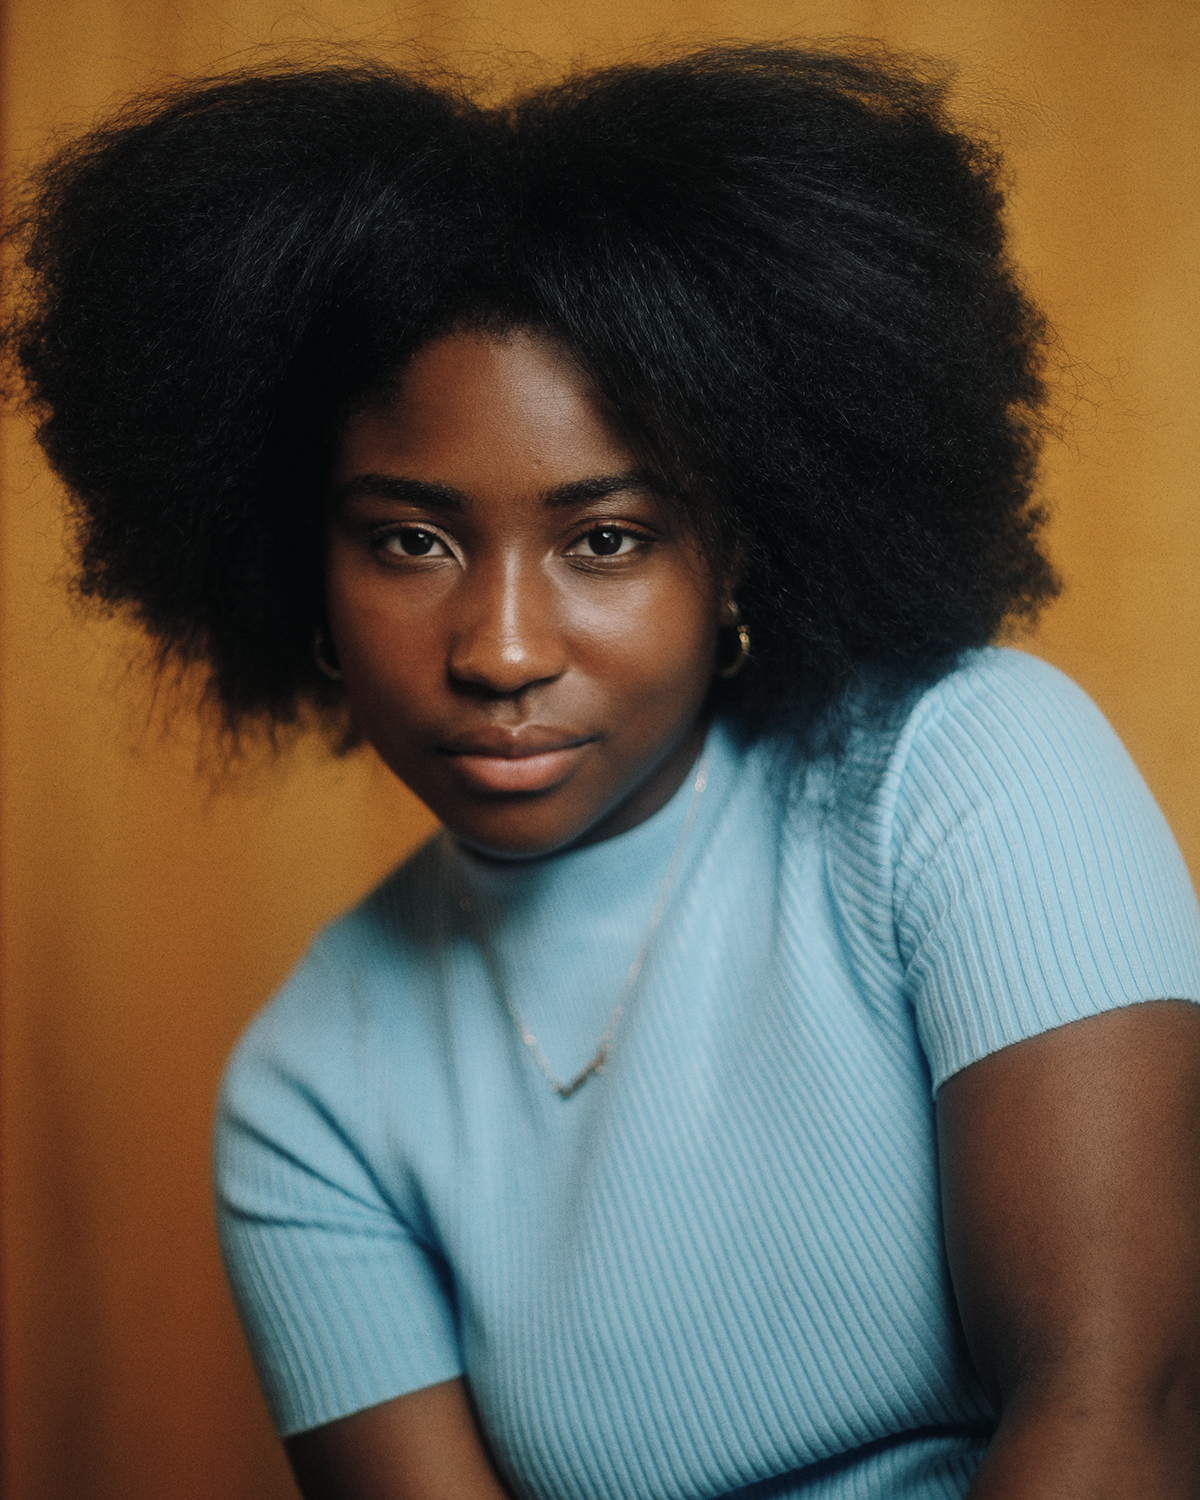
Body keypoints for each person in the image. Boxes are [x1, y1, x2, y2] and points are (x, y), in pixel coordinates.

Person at [6, 44, 1200, 1500]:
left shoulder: (966, 771)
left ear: (736, 553)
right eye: (409, 540)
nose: (501, 647)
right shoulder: (310, 1092)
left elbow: (1121, 1406)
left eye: (608, 539)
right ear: (295, 568)